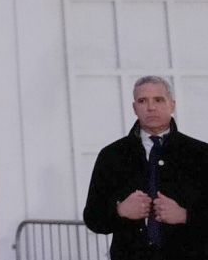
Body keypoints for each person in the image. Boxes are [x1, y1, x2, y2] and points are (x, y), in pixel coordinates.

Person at [83, 75, 208, 259]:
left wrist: (185, 215)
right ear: (134, 108)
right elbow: (93, 218)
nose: (151, 107)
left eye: (158, 99)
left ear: (172, 105)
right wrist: (119, 211)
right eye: (142, 101)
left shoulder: (200, 154)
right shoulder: (112, 155)